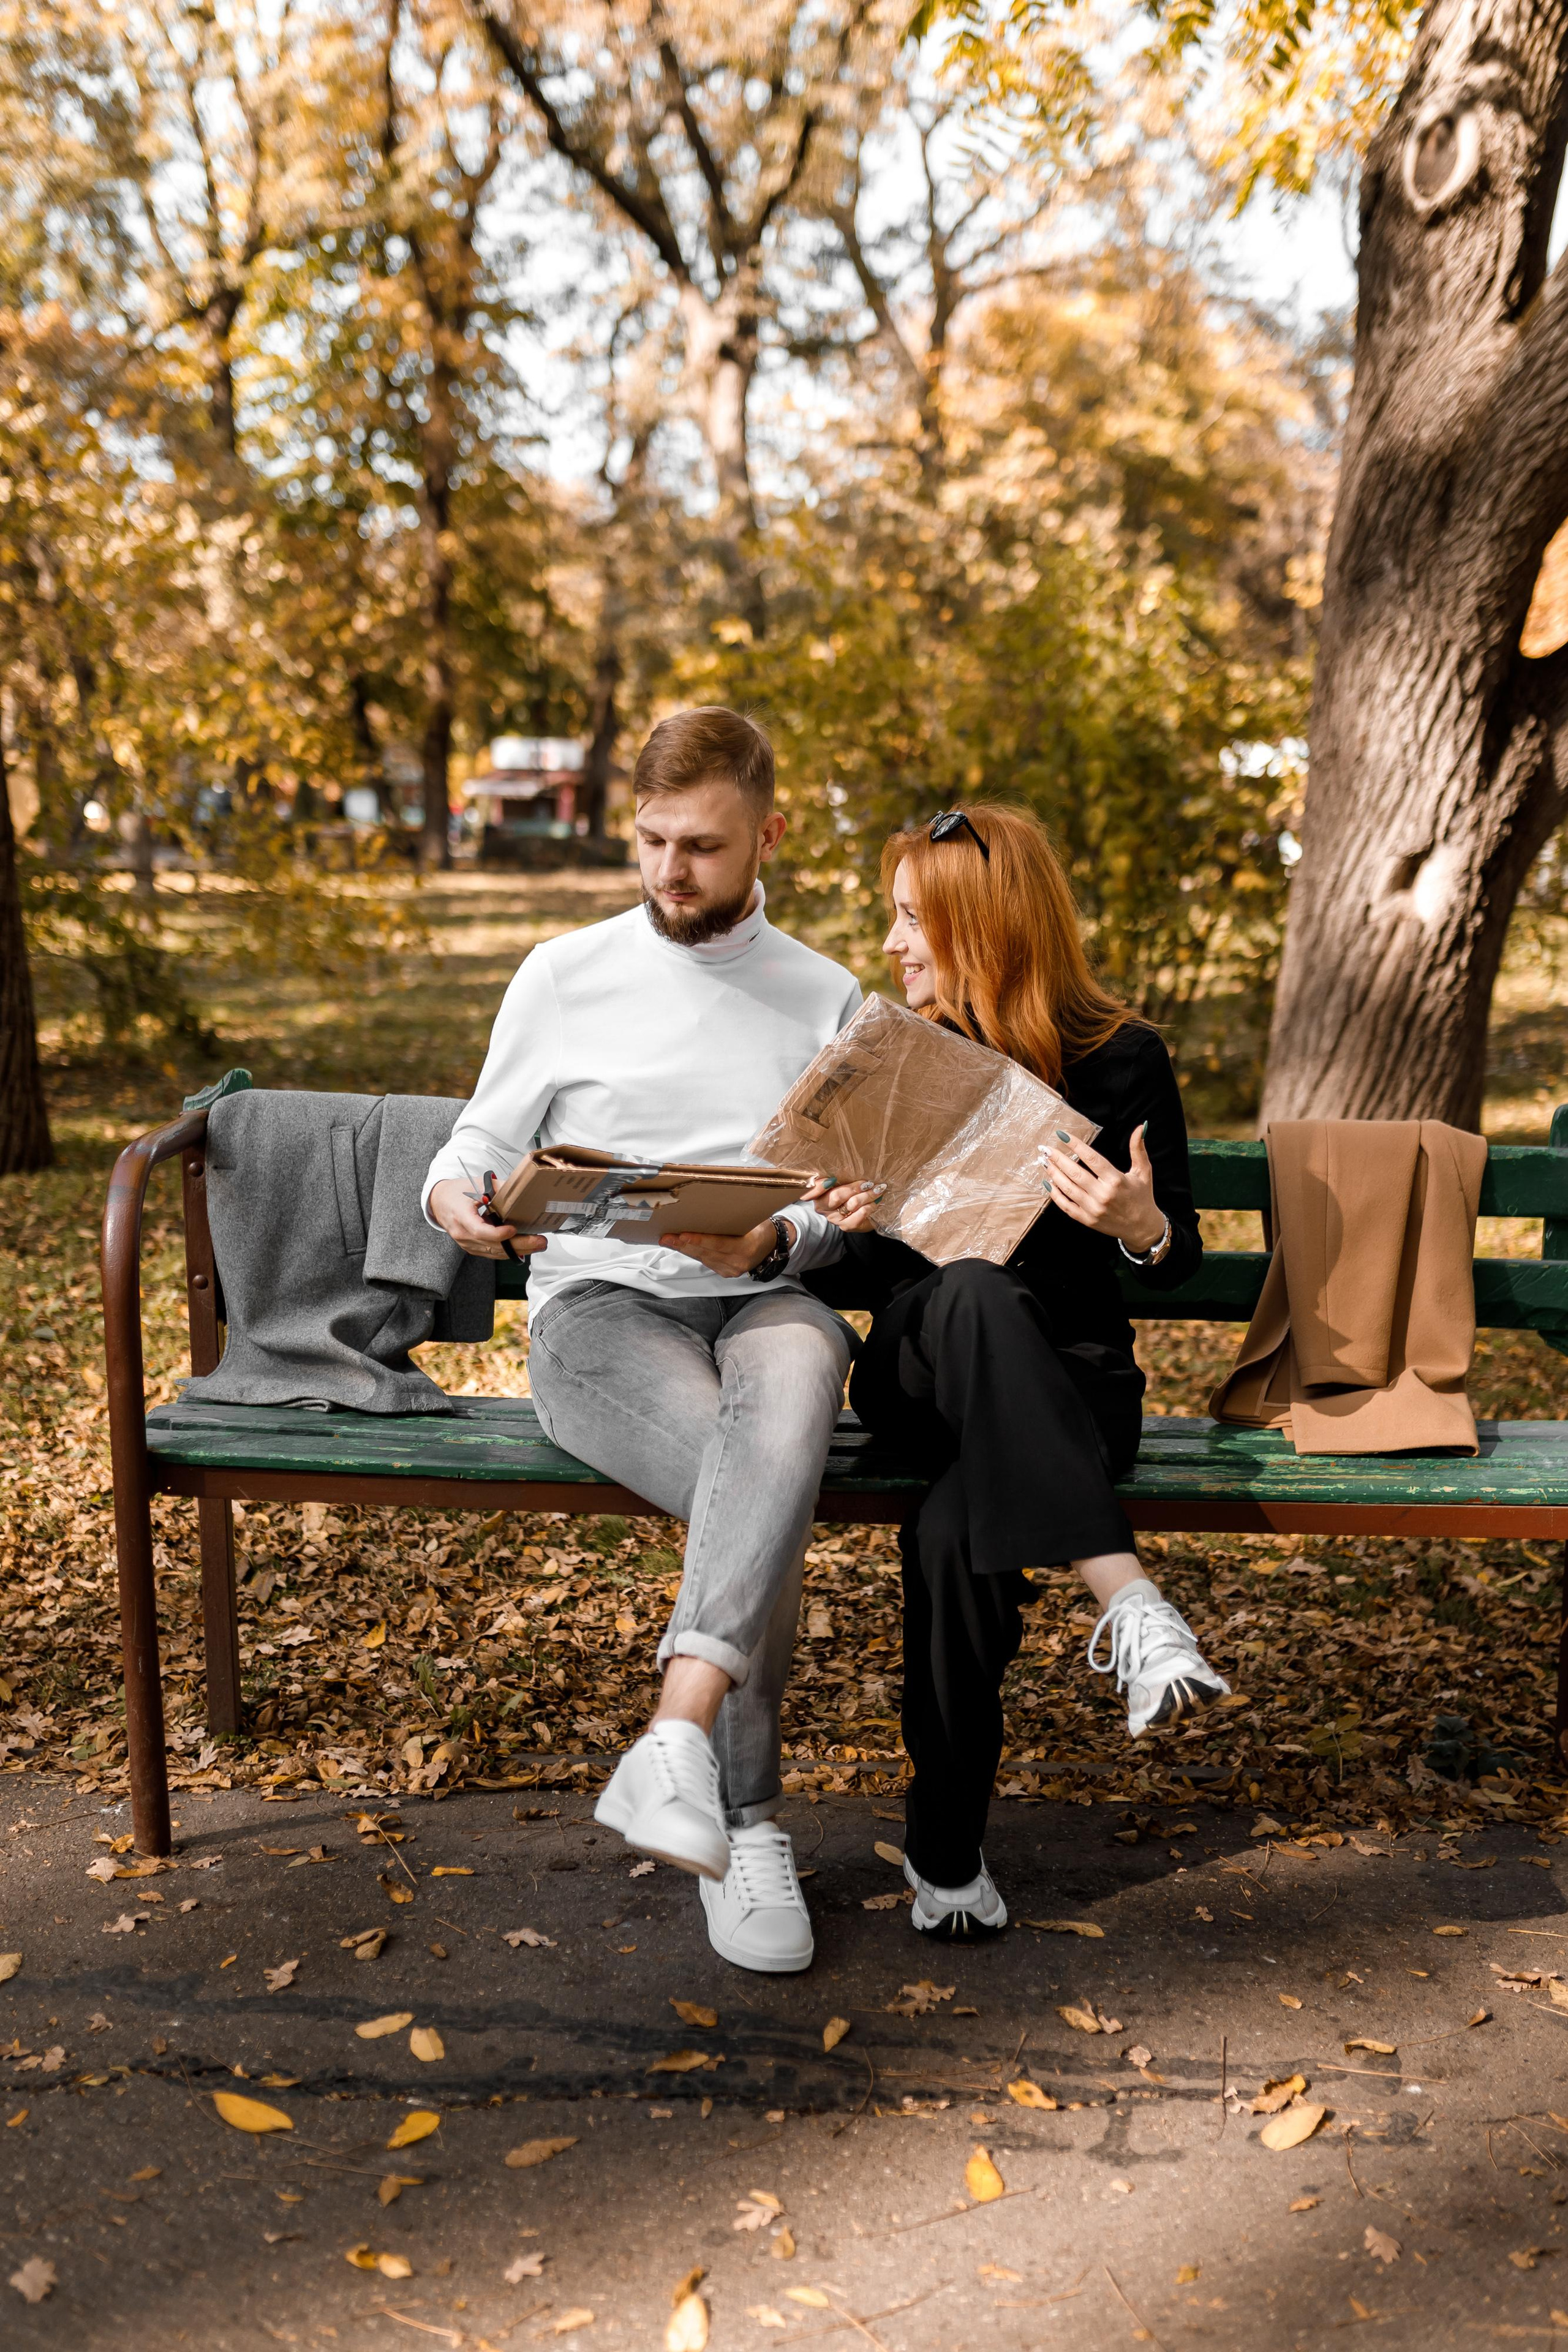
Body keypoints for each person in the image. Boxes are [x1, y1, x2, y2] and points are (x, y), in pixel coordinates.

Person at [424, 709, 861, 1974]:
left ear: (767, 835)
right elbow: (475, 1146)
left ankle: (682, 1752)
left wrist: (781, 1241)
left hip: (762, 1301)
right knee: (763, 1488)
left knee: (790, 1382)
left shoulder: (826, 995)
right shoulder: (563, 973)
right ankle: (745, 1817)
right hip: (600, 1313)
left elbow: (845, 1219)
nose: (671, 873)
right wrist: (454, 1198)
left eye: (704, 848)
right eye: (653, 842)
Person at [811, 805, 1227, 1942]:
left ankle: (946, 1862)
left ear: (987, 928)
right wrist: (839, 1220)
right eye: (894, 918)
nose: (894, 945)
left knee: (955, 1539)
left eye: (915, 921)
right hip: (919, 1372)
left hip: (1070, 1389)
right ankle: (1127, 1599)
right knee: (977, 1290)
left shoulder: (1123, 1057)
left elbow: (1175, 1258)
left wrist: (1139, 1221)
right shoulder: (891, 1053)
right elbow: (836, 1264)